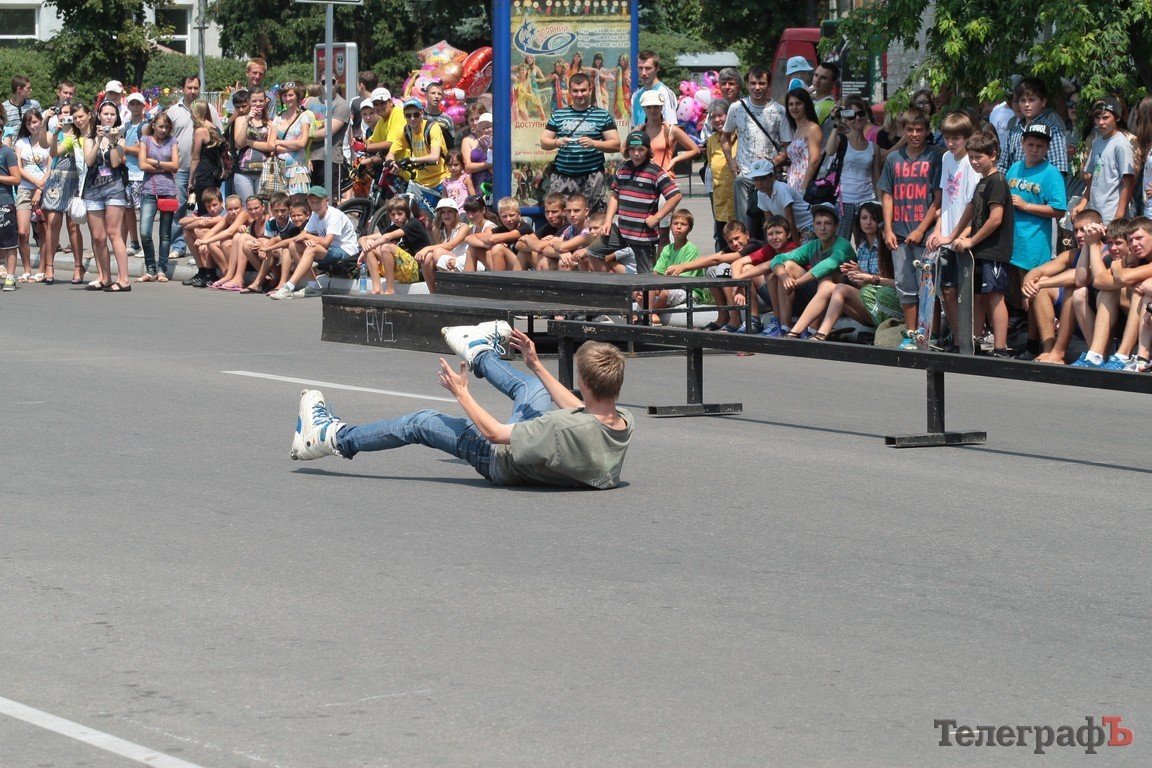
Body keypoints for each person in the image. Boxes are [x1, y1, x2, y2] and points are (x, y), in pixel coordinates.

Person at [289, 321, 633, 491]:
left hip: (498, 461)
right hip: (564, 454)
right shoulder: (621, 420)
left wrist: (461, 393)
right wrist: (536, 365)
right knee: (533, 387)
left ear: (586, 384)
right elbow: (577, 407)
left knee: (422, 422)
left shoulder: (559, 427)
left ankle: (330, 437)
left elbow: (495, 434)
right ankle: (479, 352)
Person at [877, 108, 943, 347]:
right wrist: (887, 228)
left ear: (927, 132)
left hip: (924, 235)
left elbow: (938, 198)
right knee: (905, 286)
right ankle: (912, 334)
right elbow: (887, 195)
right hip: (899, 233)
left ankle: (931, 335)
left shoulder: (936, 156)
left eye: (919, 130)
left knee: (928, 289)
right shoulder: (894, 159)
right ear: (903, 131)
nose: (915, 134)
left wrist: (921, 229)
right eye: (910, 130)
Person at [786, 201, 900, 340]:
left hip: (886, 303)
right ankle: (795, 332)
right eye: (864, 218)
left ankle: (820, 333)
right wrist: (857, 273)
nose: (868, 222)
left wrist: (868, 277)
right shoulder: (862, 247)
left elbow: (899, 284)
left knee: (838, 286)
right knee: (829, 283)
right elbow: (865, 285)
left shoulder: (890, 247)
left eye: (873, 218)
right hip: (867, 301)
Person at [1005, 123, 1068, 358]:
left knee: (1030, 293)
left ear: (1047, 148)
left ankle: (1034, 343)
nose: (1034, 149)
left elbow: (1059, 210)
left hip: (1035, 242)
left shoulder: (1051, 173)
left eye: (1040, 145)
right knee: (1015, 294)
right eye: (1030, 144)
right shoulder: (1014, 168)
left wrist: (1027, 206)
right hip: (1012, 240)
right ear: (1022, 144)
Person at [952, 128, 1014, 356]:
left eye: (979, 157)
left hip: (994, 250)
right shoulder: (982, 182)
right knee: (977, 296)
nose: (975, 162)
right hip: (979, 249)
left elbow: (995, 219)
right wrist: (957, 236)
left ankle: (1000, 347)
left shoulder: (997, 181)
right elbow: (973, 214)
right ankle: (975, 340)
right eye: (971, 157)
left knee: (995, 296)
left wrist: (971, 241)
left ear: (993, 155)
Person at [586, 130, 682, 274]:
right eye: (632, 149)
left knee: (646, 274)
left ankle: (647, 296)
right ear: (627, 150)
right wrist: (608, 220)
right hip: (622, 229)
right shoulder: (623, 168)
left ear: (647, 150)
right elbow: (615, 195)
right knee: (593, 251)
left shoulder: (655, 171)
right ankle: (612, 289)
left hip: (643, 233)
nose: (636, 154)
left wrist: (657, 217)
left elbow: (675, 196)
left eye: (640, 150)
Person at [929, 110, 980, 350]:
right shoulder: (946, 158)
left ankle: (968, 339)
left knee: (966, 293)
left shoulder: (971, 162)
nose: (951, 143)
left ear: (967, 137)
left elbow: (971, 205)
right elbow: (945, 203)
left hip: (963, 235)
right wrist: (937, 230)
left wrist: (956, 234)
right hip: (947, 234)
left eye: (956, 138)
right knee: (946, 290)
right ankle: (958, 338)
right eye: (947, 138)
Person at [766, 204, 855, 336]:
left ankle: (812, 329)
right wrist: (785, 277)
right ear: (813, 226)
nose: (822, 228)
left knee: (827, 277)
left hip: (841, 302)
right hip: (815, 294)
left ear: (836, 226)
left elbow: (827, 266)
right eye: (818, 223)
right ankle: (784, 327)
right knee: (788, 266)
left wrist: (797, 282)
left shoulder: (843, 245)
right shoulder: (813, 245)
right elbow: (778, 259)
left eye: (827, 223)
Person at [721, 66, 787, 236]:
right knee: (744, 228)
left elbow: (788, 147)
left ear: (768, 85)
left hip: (770, 177)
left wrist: (773, 162)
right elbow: (725, 137)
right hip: (745, 175)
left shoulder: (779, 111)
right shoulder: (736, 108)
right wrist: (731, 161)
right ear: (747, 85)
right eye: (753, 83)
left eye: (761, 83)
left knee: (771, 227)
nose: (757, 88)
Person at [540, 72, 620, 211]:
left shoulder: (602, 115)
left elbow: (616, 144)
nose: (579, 94)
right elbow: (544, 142)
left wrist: (594, 143)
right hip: (563, 177)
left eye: (583, 90)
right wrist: (556, 142)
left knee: (593, 216)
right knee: (562, 217)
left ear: (590, 89)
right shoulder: (559, 115)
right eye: (575, 91)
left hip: (592, 177)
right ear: (570, 92)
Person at [272, 185, 359, 298]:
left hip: (346, 252)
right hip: (328, 250)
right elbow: (302, 235)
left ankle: (289, 286)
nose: (315, 206)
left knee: (312, 248)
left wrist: (308, 238)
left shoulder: (334, 215)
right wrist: (306, 239)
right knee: (294, 245)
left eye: (318, 202)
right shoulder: (315, 215)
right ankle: (314, 286)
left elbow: (326, 242)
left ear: (326, 200)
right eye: (312, 203)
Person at [167, 75, 220, 259]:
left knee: (205, 209)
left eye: (196, 87)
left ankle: (205, 248)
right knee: (181, 208)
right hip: (181, 168)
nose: (192, 91)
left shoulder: (208, 109)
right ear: (183, 88)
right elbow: (167, 138)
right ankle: (178, 246)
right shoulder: (173, 111)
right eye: (189, 87)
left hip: (202, 172)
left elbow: (218, 135)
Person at [83, 100, 134, 292]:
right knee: (98, 236)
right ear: (99, 115)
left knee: (114, 233)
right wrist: (98, 140)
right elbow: (89, 161)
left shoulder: (120, 138)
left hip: (114, 187)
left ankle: (124, 279)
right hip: (93, 189)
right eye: (105, 114)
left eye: (112, 114)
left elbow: (114, 163)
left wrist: (112, 141)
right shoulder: (89, 137)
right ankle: (104, 277)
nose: (109, 117)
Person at [41, 101, 87, 285]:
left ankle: (78, 266)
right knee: (52, 222)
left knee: (73, 225)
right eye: (63, 113)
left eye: (70, 114)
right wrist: (49, 125)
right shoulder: (56, 130)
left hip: (75, 180)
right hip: (56, 180)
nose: (67, 117)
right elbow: (46, 146)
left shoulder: (78, 134)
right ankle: (49, 266)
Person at [825, 95, 880, 240]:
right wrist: (837, 123)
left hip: (867, 200)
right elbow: (829, 151)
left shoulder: (873, 147)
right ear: (845, 118)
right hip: (845, 201)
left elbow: (876, 178)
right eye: (851, 115)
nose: (857, 118)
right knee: (841, 243)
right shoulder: (841, 139)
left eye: (860, 114)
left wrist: (879, 204)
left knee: (866, 242)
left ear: (866, 115)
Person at [731, 216, 800, 331]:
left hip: (796, 296)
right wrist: (737, 287)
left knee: (772, 273)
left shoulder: (792, 248)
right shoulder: (768, 248)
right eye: (770, 234)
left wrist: (738, 279)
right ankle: (754, 320)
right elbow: (736, 263)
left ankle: (779, 322)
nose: (774, 237)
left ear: (788, 235)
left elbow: (772, 264)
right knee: (747, 268)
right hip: (776, 296)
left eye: (778, 233)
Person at [1073, 97, 1135, 226]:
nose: (1100, 122)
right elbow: (1093, 176)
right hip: (1095, 214)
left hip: (1111, 215)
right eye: (1097, 118)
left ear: (1117, 118)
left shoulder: (1121, 144)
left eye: (1105, 118)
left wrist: (1119, 215)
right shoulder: (1096, 142)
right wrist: (1083, 202)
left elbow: (1128, 182)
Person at [135, 111, 180, 282]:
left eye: (166, 127)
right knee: (145, 232)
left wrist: (156, 163)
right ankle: (150, 268)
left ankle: (161, 268)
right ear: (153, 125)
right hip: (148, 190)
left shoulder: (172, 141)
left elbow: (175, 165)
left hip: (168, 190)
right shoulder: (145, 140)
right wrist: (163, 169)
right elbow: (142, 164)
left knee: (165, 235)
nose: (163, 130)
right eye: (160, 126)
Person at [996, 77, 1070, 178]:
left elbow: (1058, 170)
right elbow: (1003, 166)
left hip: (1040, 190)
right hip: (1013, 189)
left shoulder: (1052, 131)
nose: (1026, 105)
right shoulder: (1015, 131)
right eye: (1022, 100)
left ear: (1043, 102)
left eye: (1031, 100)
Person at [638, 208, 702, 324]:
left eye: (683, 224)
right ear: (670, 226)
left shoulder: (691, 249)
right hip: (667, 285)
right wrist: (655, 288)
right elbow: (657, 273)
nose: (678, 227)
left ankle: (649, 314)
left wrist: (659, 289)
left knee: (664, 293)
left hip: (687, 290)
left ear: (690, 228)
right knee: (638, 291)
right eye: (675, 223)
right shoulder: (667, 248)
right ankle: (650, 314)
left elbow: (683, 280)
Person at [357, 195, 430, 294]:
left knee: (386, 247)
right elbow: (364, 238)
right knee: (369, 243)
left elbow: (387, 237)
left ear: (407, 213)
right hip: (402, 268)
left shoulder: (414, 224)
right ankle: (377, 288)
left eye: (400, 214)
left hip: (417, 270)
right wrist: (364, 246)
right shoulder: (395, 226)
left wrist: (367, 248)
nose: (396, 218)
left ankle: (390, 289)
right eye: (393, 215)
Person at [386, 98, 449, 196]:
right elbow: (391, 153)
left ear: (421, 113)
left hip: (441, 179)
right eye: (408, 115)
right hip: (421, 183)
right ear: (404, 116)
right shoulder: (404, 131)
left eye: (416, 115)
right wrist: (391, 163)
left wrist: (411, 159)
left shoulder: (432, 127)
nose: (412, 118)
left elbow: (434, 156)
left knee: (444, 211)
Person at [14, 109, 49, 282]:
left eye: (35, 122)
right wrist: (35, 182)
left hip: (44, 190)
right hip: (25, 188)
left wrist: (40, 188)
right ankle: (27, 268)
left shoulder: (47, 140)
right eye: (28, 123)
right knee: (22, 232)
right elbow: (18, 167)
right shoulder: (21, 142)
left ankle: (41, 269)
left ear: (41, 121)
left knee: (43, 232)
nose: (32, 126)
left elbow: (51, 167)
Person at [747, 158, 812, 242]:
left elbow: (790, 221)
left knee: (802, 253)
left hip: (807, 224)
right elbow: (769, 222)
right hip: (791, 230)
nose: (759, 183)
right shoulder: (760, 194)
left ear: (773, 177)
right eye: (756, 180)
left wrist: (796, 246)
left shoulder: (782, 190)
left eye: (763, 179)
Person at [416, 197, 470, 291]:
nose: (446, 215)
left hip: (462, 262)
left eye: (449, 211)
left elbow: (451, 245)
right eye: (443, 212)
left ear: (455, 213)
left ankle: (449, 287)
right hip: (445, 262)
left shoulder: (463, 227)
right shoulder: (437, 229)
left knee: (437, 252)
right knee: (428, 257)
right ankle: (433, 292)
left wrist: (427, 248)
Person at [465, 196, 532, 271]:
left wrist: (494, 242)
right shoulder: (501, 229)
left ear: (519, 214)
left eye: (512, 215)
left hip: (524, 268)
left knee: (498, 248)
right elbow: (469, 238)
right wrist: (486, 245)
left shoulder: (525, 227)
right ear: (499, 216)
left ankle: (498, 280)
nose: (508, 219)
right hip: (508, 267)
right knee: (472, 249)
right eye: (504, 216)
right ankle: (466, 281)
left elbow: (492, 239)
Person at [702, 100, 734, 251]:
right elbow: (710, 164)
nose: (717, 120)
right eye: (713, 117)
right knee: (723, 239)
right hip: (720, 198)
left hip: (738, 198)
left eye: (720, 115)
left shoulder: (739, 136)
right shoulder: (711, 141)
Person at [272, 83, 314, 196]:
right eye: (284, 95)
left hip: (297, 167)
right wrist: (292, 146)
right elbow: (271, 144)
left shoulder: (304, 116)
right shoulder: (278, 117)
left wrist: (279, 142)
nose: (288, 98)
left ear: (297, 96)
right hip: (280, 167)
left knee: (298, 204)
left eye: (291, 95)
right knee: (280, 204)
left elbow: (301, 143)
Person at [307, 79, 350, 191]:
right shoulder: (311, 104)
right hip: (309, 158)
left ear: (337, 83)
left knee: (329, 199)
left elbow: (327, 132)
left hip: (331, 160)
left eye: (332, 81)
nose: (328, 85)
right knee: (309, 199)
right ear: (319, 84)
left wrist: (304, 136)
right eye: (324, 82)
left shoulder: (342, 104)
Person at [121, 92, 148, 257]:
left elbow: (144, 150)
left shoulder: (144, 127)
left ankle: (146, 245)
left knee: (142, 210)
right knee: (128, 210)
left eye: (138, 104)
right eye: (133, 104)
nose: (135, 107)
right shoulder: (125, 126)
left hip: (140, 173)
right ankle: (134, 243)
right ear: (129, 106)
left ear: (143, 106)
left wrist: (126, 149)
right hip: (127, 173)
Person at [784, 88, 824, 196]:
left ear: (806, 105)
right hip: (792, 183)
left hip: (804, 185)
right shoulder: (797, 129)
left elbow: (814, 160)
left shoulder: (812, 128)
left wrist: (803, 188)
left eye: (798, 103)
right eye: (791, 104)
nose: (794, 107)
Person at [233, 87, 270, 202]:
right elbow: (239, 143)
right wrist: (247, 120)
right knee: (247, 207)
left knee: (262, 207)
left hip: (264, 171)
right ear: (249, 101)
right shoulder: (240, 119)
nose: (257, 104)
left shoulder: (270, 122)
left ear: (265, 101)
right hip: (243, 171)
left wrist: (249, 142)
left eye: (260, 101)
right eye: (254, 101)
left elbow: (270, 146)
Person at [629, 51, 677, 128]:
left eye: (648, 68)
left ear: (657, 68)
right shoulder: (635, 96)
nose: (643, 73)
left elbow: (672, 129)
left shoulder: (665, 93)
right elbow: (634, 128)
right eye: (640, 68)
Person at [0, 135, 19, 290]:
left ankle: (11, 277)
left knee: (9, 242)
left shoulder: (7, 152)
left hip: (4, 202)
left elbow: (16, 178)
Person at [810, 62, 840, 133]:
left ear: (833, 83)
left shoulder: (821, 108)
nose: (817, 80)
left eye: (823, 78)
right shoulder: (830, 104)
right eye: (816, 75)